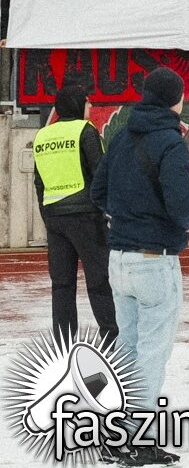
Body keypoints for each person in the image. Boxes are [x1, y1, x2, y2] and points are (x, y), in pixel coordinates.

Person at [91, 66, 189, 467]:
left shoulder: (120, 136)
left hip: (119, 259)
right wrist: (182, 226)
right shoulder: (171, 142)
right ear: (175, 99)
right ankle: (141, 440)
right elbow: (181, 205)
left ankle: (114, 435)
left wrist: (127, 218)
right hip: (155, 260)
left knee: (126, 348)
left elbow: (98, 191)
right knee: (152, 353)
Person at [32, 82, 117, 344]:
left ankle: (64, 342)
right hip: (86, 217)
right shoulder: (85, 130)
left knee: (62, 284)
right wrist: (106, 212)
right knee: (99, 280)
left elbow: (39, 182)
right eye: (87, 101)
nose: (90, 105)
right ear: (78, 104)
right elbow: (100, 174)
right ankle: (111, 337)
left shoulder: (43, 135)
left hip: (55, 218)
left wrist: (47, 216)